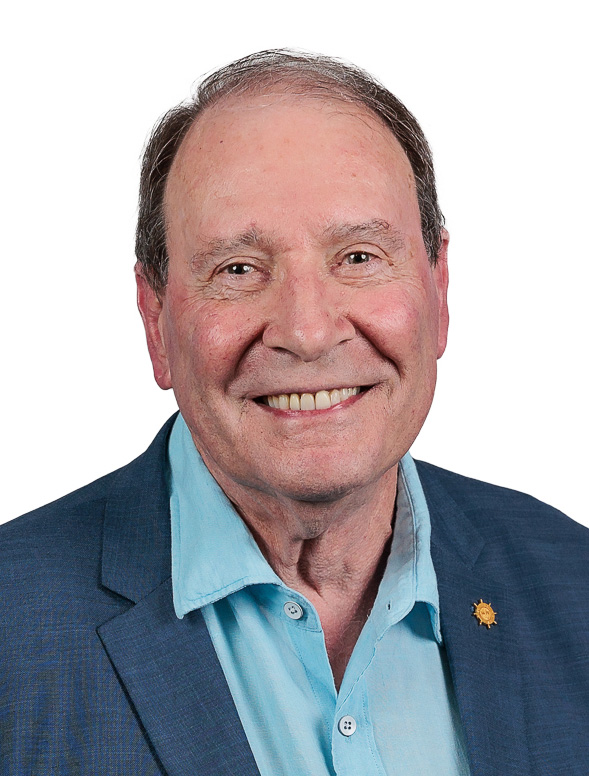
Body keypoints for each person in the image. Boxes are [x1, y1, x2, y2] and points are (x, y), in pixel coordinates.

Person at [1, 50, 587, 776]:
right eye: (238, 270)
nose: (307, 331)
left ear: (438, 289)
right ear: (155, 318)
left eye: (360, 257)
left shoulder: (573, 585)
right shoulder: (12, 630)